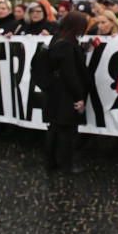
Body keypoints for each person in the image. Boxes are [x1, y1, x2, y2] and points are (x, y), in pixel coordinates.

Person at [44, 11, 91, 175]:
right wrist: (79, 96)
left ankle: (51, 163)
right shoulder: (67, 45)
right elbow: (71, 73)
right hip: (65, 93)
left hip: (55, 90)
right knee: (66, 130)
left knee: (54, 127)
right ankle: (67, 165)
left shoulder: (57, 38)